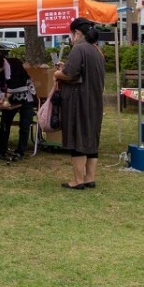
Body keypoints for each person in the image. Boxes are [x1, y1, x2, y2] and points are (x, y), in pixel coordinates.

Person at [54, 17, 105, 190]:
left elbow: (70, 74)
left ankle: (77, 180)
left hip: (79, 101)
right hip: (95, 101)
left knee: (78, 138)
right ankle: (89, 177)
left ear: (77, 33)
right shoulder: (97, 50)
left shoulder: (78, 48)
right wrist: (65, 68)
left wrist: (57, 73)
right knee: (91, 138)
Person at [0, 52, 37, 161]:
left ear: (2, 63)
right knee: (4, 123)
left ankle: (20, 152)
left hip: (24, 94)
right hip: (8, 97)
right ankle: (0, 151)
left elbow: (17, 84)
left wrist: (2, 97)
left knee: (24, 124)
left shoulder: (15, 64)